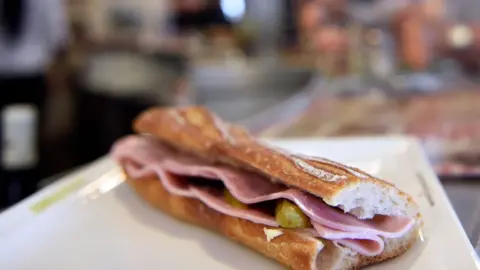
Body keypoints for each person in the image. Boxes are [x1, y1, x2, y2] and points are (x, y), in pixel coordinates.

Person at [0, 0, 68, 207]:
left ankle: (27, 200)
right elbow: (58, 37)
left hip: (30, 76)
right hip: (27, 77)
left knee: (29, 144)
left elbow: (58, 36)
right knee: (25, 144)